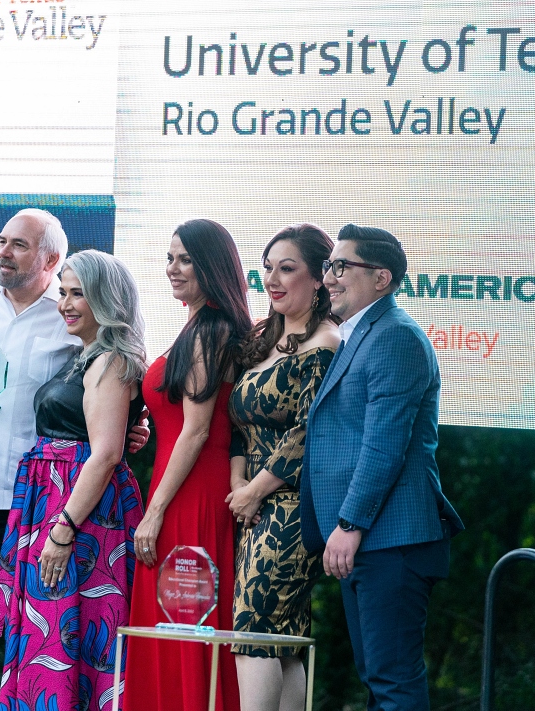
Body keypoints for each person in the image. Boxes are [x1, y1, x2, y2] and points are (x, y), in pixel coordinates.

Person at [0, 211, 147, 711]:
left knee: (33, 633)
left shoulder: (71, 312)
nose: (3, 251)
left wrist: (133, 420)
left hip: (38, 506)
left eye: (18, 245)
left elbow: (109, 376)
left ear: (51, 259)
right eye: (2, 241)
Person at [301, 225, 464, 711]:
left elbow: (383, 446)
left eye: (340, 266)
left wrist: (349, 524)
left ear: (381, 278)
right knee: (378, 679)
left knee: (392, 683)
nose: (328, 278)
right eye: (329, 266)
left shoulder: (395, 337)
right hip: (375, 540)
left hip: (392, 539)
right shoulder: (362, 335)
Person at [0, 250, 147, 711]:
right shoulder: (89, 356)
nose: (66, 304)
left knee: (67, 636)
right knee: (49, 636)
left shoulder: (111, 361)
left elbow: (106, 454)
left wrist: (63, 530)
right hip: (55, 502)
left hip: (81, 518)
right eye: (63, 293)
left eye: (79, 294)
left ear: (106, 299)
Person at [124, 219, 251, 711]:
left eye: (185, 259)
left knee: (185, 624)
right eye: (170, 258)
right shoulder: (200, 326)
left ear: (211, 266)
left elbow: (198, 430)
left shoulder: (211, 329)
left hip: (191, 494)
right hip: (180, 484)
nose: (173, 269)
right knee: (173, 623)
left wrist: (154, 511)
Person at [225, 224, 340, 711]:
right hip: (251, 506)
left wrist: (255, 492)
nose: (272, 278)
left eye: (287, 268)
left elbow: (307, 434)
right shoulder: (261, 338)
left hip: (290, 510)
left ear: (318, 279)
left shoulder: (327, 343)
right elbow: (238, 427)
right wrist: (238, 486)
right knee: (281, 640)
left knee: (253, 636)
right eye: (268, 267)